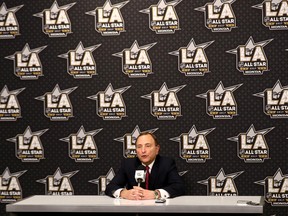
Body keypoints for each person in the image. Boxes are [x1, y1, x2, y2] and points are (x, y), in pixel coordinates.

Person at [105, 131, 185, 200]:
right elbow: (110, 187)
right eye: (139, 147)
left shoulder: (166, 163)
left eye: (148, 146)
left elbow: (179, 187)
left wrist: (156, 194)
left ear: (157, 149)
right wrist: (124, 193)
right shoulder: (128, 164)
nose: (143, 151)